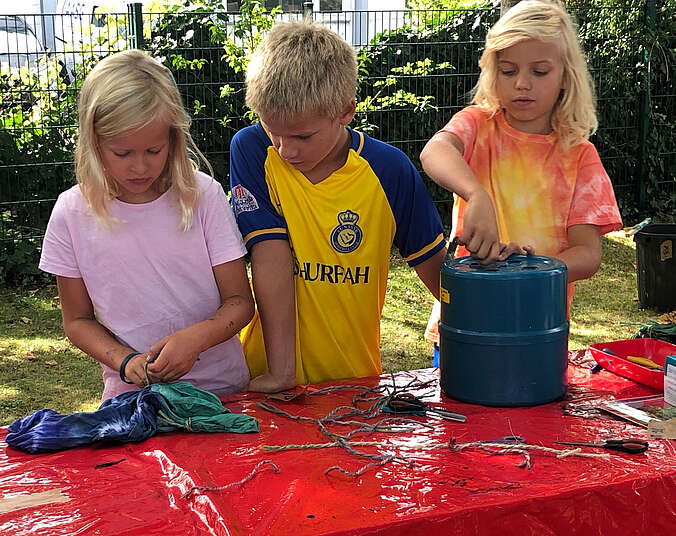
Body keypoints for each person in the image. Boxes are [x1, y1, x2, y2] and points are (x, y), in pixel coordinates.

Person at [229, 19, 447, 393]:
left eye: (302, 136)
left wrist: (495, 297)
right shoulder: (251, 148)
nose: (285, 149)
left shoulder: (389, 171)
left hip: (353, 387)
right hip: (266, 380)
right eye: (272, 130)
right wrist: (282, 375)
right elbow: (269, 254)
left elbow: (440, 276)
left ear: (346, 111)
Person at [39, 49, 254, 401]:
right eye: (122, 153)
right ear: (94, 142)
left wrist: (195, 339)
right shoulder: (71, 212)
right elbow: (76, 322)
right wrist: (125, 361)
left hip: (221, 391)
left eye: (153, 151)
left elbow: (240, 302)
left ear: (173, 139)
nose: (139, 167)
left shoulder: (203, 195)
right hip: (130, 397)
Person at [421, 0, 623, 354]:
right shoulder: (477, 124)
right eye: (509, 70)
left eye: (540, 71)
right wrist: (477, 195)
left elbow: (588, 255)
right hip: (464, 320)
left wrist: (528, 269)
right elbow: (434, 152)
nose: (522, 84)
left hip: (536, 329)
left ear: (565, 76)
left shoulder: (579, 155)